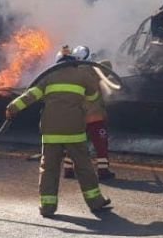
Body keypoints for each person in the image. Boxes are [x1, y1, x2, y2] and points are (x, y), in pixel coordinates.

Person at [6, 46, 112, 217]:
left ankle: (47, 207)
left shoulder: (48, 76)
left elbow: (30, 96)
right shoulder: (82, 75)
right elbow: (93, 96)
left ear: (58, 62)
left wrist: (12, 108)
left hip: (51, 131)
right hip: (74, 130)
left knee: (49, 169)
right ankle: (95, 202)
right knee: (84, 167)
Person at [64, 56, 115, 180]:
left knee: (74, 143)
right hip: (94, 117)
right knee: (100, 144)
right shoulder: (94, 72)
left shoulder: (71, 76)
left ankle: (68, 169)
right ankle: (103, 171)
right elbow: (107, 65)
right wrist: (95, 64)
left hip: (78, 117)